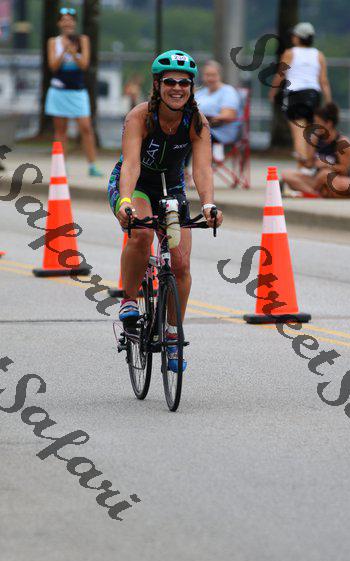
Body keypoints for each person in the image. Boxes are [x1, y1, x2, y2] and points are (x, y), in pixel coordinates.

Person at [107, 50, 223, 372]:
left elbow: (203, 169)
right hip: (137, 186)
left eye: (184, 83)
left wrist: (209, 205)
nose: (177, 88)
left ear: (191, 87)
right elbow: (131, 164)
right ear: (158, 85)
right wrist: (125, 201)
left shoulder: (196, 122)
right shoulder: (140, 117)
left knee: (181, 263)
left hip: (171, 189)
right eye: (170, 82)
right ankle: (129, 299)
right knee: (142, 234)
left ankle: (173, 334)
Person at [45, 7, 102, 177]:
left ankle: (92, 165)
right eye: (64, 20)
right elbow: (53, 66)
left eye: (70, 20)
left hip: (78, 91)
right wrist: (64, 51)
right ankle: (61, 165)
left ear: (75, 23)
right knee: (61, 130)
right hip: (59, 91)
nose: (67, 23)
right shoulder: (53, 42)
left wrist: (74, 52)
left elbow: (84, 65)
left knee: (86, 127)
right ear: (59, 23)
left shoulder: (83, 40)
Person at [269, 22, 331, 171]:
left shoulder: (290, 53)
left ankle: (302, 168)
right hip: (314, 95)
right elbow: (323, 81)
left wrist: (273, 92)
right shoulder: (319, 55)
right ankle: (310, 166)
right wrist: (329, 101)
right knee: (311, 133)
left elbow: (280, 75)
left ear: (298, 37)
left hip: (295, 95)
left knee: (298, 132)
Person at [281, 102, 350, 198]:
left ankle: (312, 191)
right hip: (317, 179)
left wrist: (327, 165)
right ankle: (315, 193)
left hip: (336, 180)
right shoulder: (315, 139)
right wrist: (302, 160)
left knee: (329, 175)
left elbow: (344, 171)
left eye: (318, 122)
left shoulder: (343, 143)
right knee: (286, 174)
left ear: (328, 123)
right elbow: (309, 165)